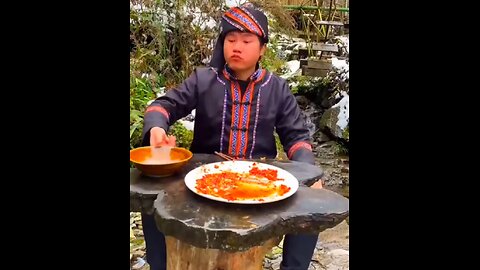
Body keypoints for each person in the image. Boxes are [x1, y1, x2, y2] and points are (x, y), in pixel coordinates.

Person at [140, 3, 323, 270]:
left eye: (246, 40)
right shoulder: (203, 80)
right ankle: (160, 264)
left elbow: (296, 137)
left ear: (262, 48)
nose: (236, 46)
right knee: (153, 195)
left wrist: (310, 173)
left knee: (312, 205)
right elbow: (164, 106)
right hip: (202, 175)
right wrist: (157, 129)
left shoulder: (278, 89)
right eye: (230, 39)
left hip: (261, 179)